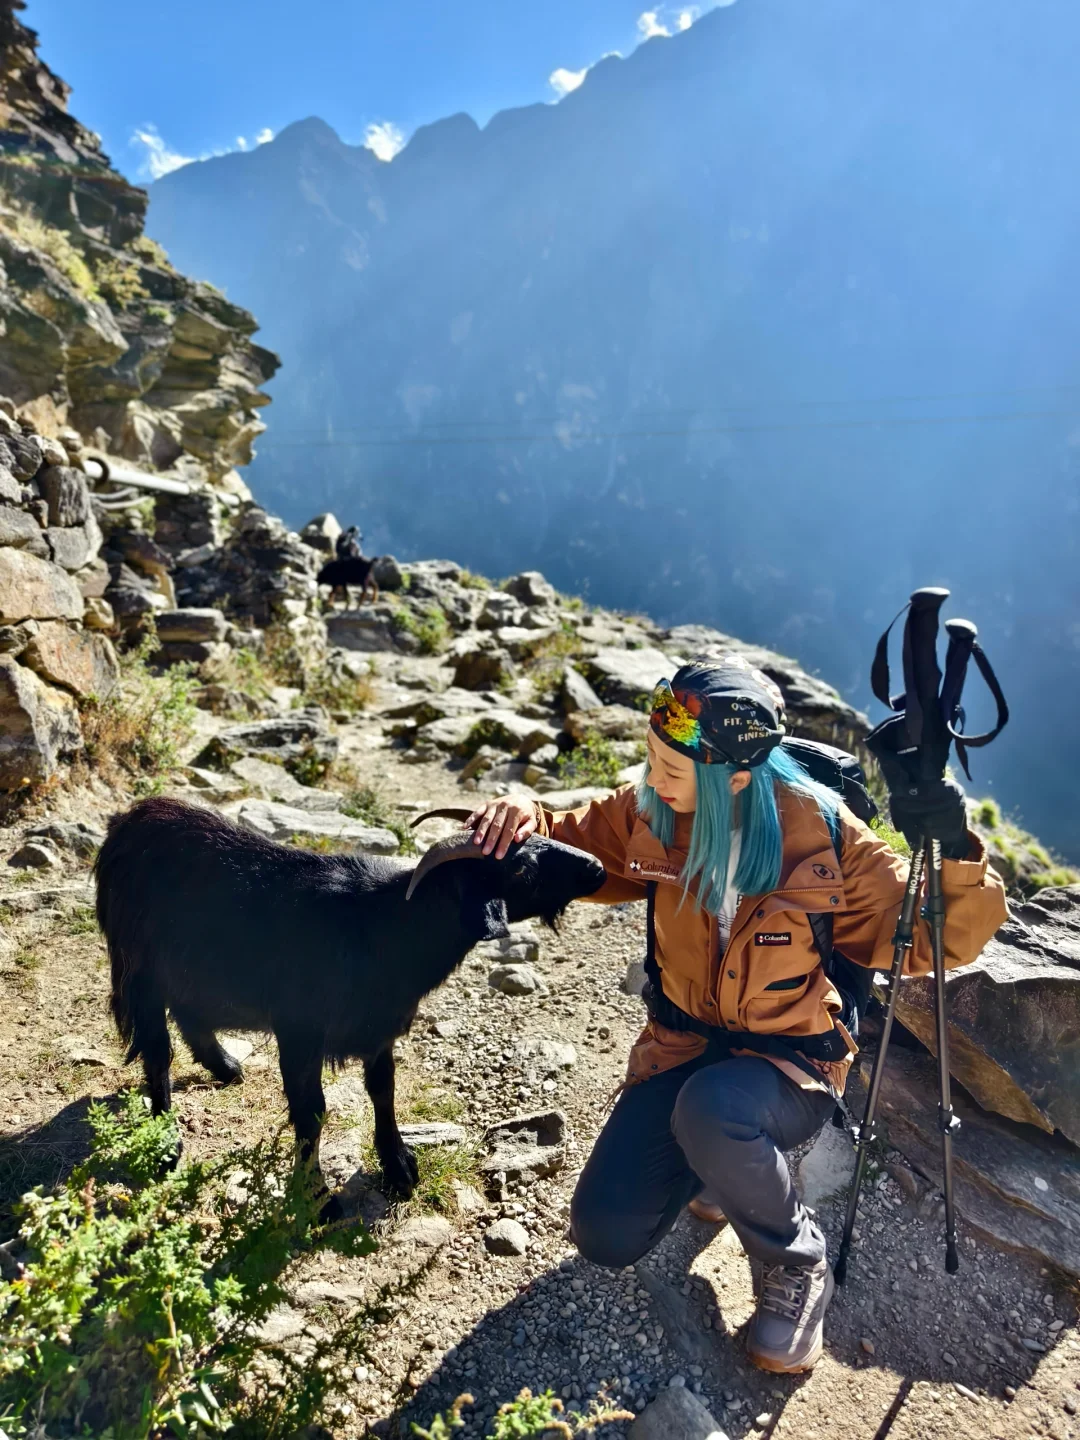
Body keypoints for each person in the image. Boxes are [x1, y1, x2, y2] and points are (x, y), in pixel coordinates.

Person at [467, 657, 1007, 1374]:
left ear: (737, 778)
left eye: (670, 769)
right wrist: (522, 815)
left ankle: (795, 1261)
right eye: (650, 759)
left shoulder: (825, 837)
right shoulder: (652, 812)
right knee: (606, 1233)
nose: (651, 780)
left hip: (790, 1065)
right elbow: (570, 834)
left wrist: (954, 846)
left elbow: (941, 934)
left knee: (716, 1109)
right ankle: (722, 1168)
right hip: (683, 1047)